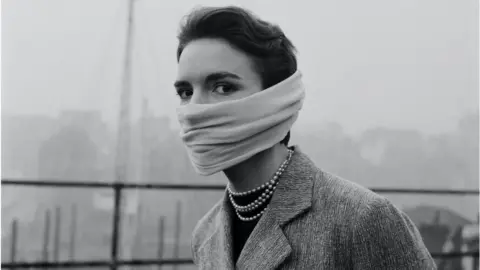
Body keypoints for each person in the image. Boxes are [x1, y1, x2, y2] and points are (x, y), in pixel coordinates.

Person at [173, 5, 437, 270]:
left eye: (223, 87)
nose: (195, 108)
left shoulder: (362, 220)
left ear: (276, 99)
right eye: (185, 92)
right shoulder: (206, 235)